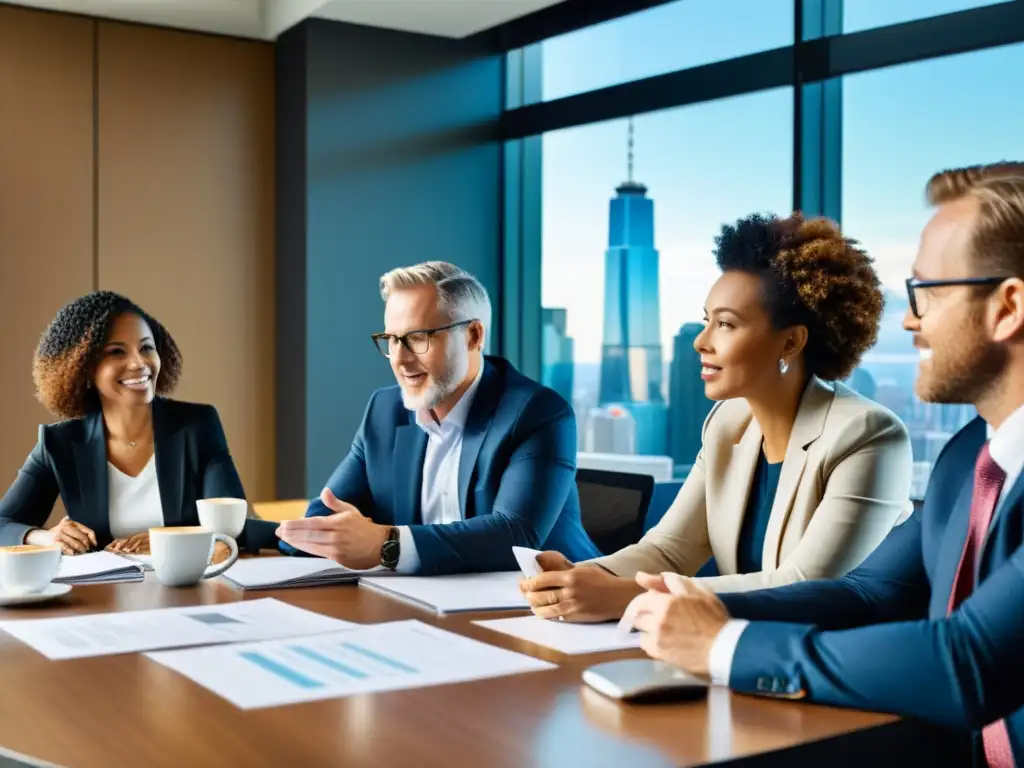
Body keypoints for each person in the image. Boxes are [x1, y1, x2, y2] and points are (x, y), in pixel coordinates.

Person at [623, 162, 1024, 767]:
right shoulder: (968, 458)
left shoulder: (877, 436)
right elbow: (867, 594)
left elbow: (967, 664)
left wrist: (725, 644)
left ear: (1008, 305)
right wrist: (684, 602)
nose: (910, 321)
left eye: (926, 293)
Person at [520, 212, 913, 622]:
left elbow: (804, 585)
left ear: (792, 342)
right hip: (737, 649)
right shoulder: (728, 423)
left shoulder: (867, 435)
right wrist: (579, 577)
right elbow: (669, 550)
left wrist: (626, 597)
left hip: (830, 664)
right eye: (707, 320)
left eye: (726, 323)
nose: (701, 341)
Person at [275, 261, 600, 574]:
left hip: (553, 608)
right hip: (428, 602)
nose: (400, 359)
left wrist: (386, 545)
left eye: (418, 338)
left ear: (473, 336)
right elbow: (327, 512)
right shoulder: (385, 410)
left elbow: (514, 537)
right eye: (391, 340)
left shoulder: (536, 412)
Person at [0, 291, 277, 554]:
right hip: (102, 597)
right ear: (83, 369)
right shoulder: (58, 444)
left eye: (146, 347)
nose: (139, 363)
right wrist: (45, 537)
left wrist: (164, 540)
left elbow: (230, 527)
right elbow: (4, 523)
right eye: (116, 352)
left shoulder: (197, 426)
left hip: (190, 589)